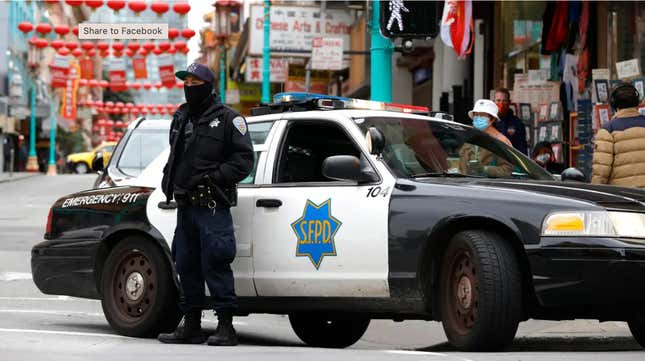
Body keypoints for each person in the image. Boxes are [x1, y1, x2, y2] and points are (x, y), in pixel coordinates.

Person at [158, 63, 254, 346]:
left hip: (212, 204)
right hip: (186, 205)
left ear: (209, 86)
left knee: (216, 260)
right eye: (185, 81)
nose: (189, 86)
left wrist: (214, 177)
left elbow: (244, 160)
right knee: (186, 262)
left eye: (194, 82)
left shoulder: (229, 119)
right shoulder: (181, 117)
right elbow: (175, 155)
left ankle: (226, 326)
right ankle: (192, 325)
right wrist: (169, 183)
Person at [592, 82, 645, 187]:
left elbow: (601, 172)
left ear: (613, 104)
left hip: (623, 197)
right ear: (637, 102)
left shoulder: (608, 130)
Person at [459, 99, 514, 177]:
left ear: (492, 119)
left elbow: (507, 170)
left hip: (490, 186)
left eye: (482, 115)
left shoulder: (501, 141)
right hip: (468, 185)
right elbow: (462, 168)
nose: (478, 118)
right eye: (476, 115)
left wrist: (485, 170)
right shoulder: (470, 139)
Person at [493, 88, 528, 155]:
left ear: (509, 102)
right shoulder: (488, 121)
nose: (501, 104)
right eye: (498, 100)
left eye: (504, 101)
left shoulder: (517, 123)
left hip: (510, 162)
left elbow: (522, 148)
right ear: (493, 102)